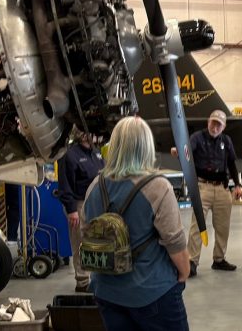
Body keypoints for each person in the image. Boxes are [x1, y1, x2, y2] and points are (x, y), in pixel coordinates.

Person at [82, 116, 190, 331]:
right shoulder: (158, 187)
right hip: (152, 292)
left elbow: (87, 231)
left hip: (107, 292)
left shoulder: (96, 185)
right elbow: (175, 243)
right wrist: (184, 272)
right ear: (146, 147)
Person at [184, 110, 242, 277]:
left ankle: (219, 259)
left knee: (223, 226)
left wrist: (237, 185)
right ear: (208, 122)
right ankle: (192, 262)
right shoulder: (197, 137)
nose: (215, 127)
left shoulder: (226, 141)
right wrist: (180, 152)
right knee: (197, 226)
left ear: (223, 127)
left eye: (219, 124)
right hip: (203, 187)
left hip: (222, 188)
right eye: (213, 123)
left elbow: (232, 163)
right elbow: (187, 152)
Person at [57, 127, 105, 293]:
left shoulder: (96, 153)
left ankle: (95, 277)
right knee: (80, 244)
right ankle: (82, 282)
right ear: (83, 134)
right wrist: (71, 210)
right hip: (79, 205)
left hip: (96, 203)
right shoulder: (69, 155)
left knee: (95, 243)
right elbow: (64, 186)